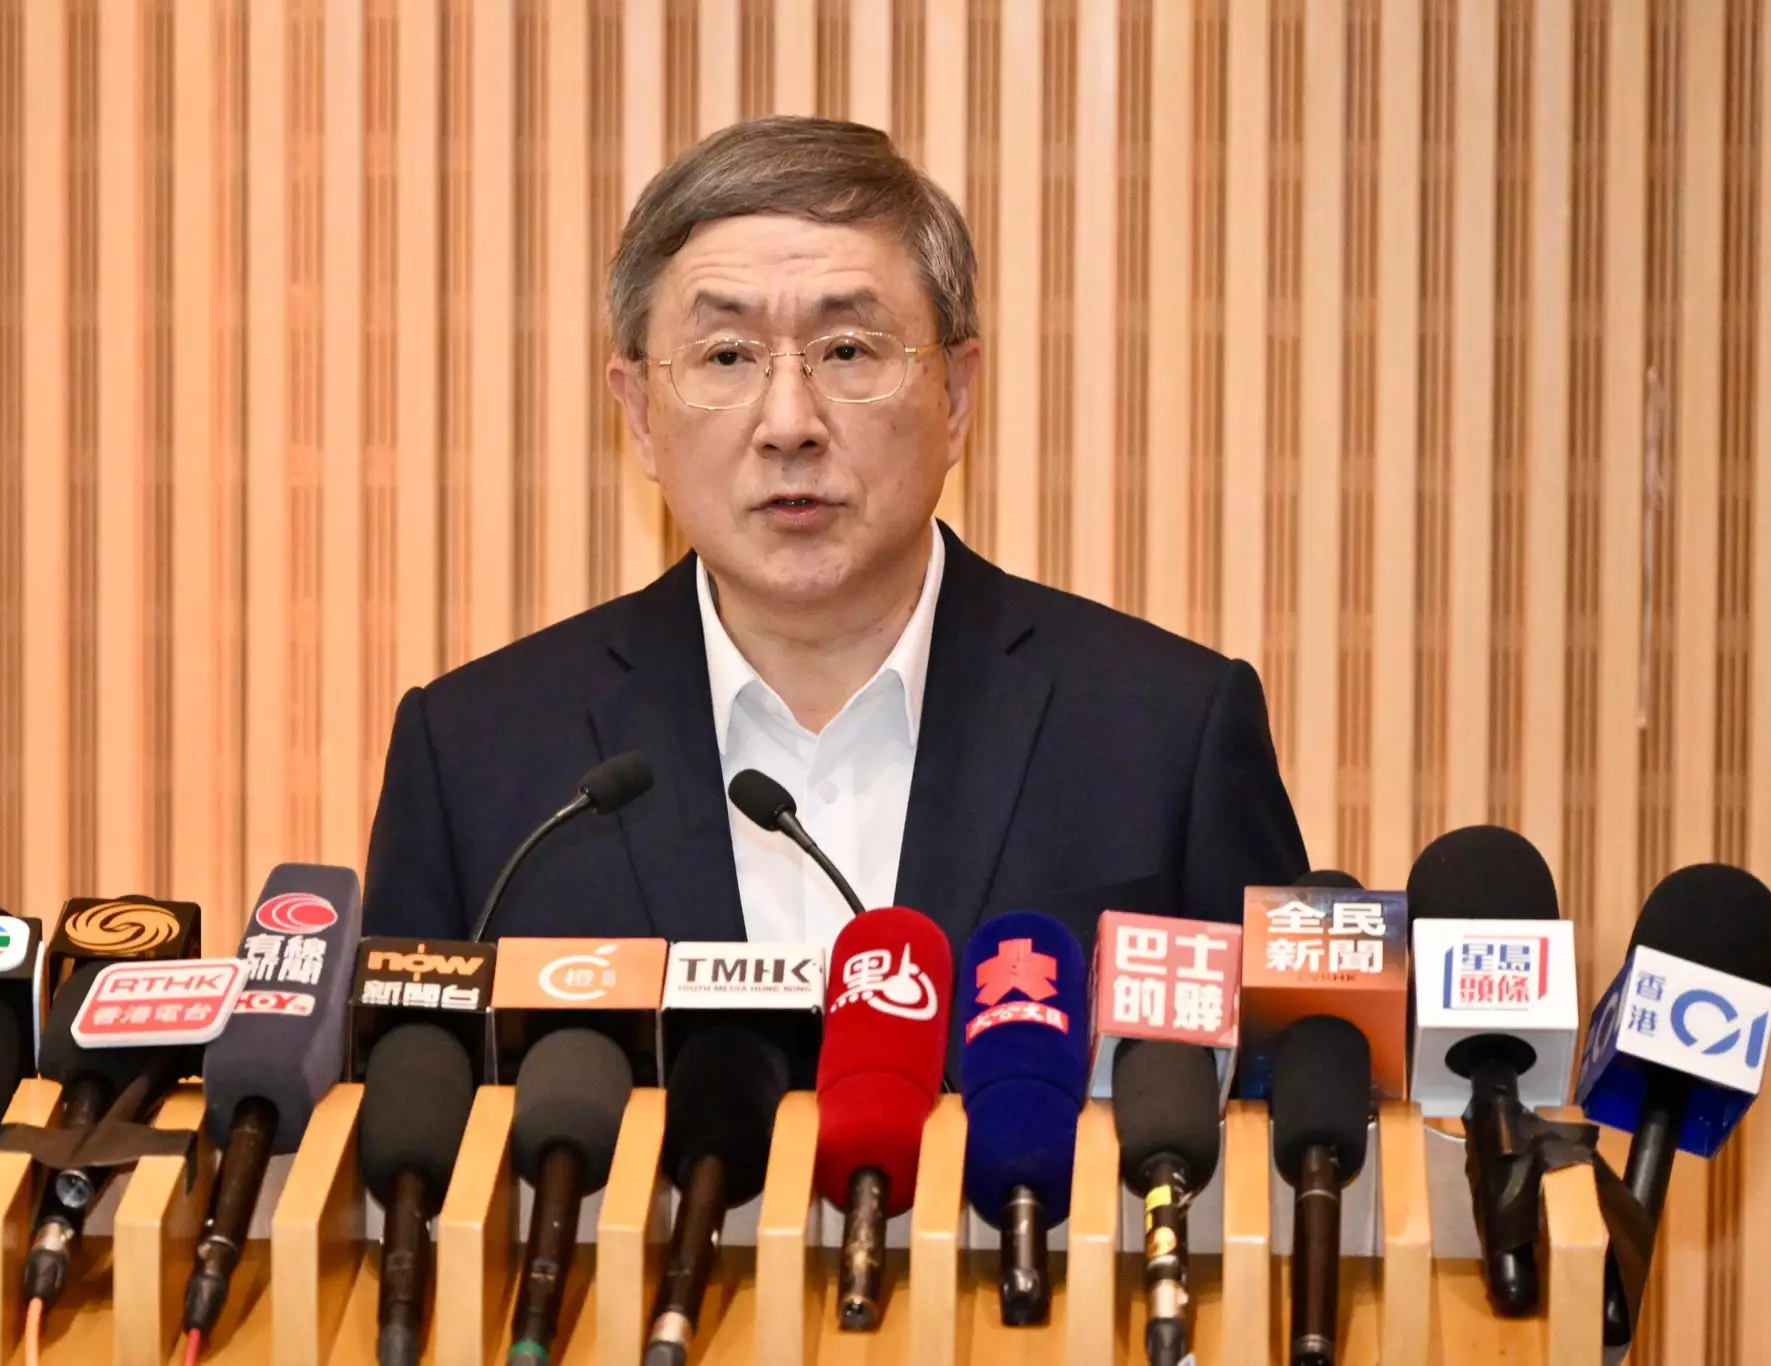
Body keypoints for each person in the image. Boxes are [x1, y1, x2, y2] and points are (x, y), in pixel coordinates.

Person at [362, 115, 1305, 962]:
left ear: (957, 397)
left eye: (849, 351)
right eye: (726, 356)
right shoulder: (478, 762)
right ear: (641, 413)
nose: (789, 424)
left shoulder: (1167, 736)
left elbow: (1291, 1088)